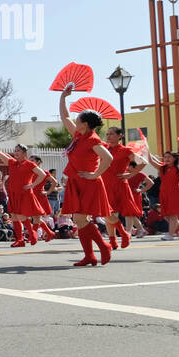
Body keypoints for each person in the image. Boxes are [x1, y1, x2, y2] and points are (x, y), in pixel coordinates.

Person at [57, 86, 114, 266]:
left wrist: (95, 174)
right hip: (76, 181)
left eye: (79, 118)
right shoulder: (78, 135)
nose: (76, 119)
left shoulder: (92, 139)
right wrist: (62, 97)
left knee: (80, 219)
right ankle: (90, 255)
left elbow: (108, 158)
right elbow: (65, 117)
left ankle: (103, 246)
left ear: (86, 124)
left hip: (88, 182)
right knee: (80, 220)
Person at [152, 151, 179, 239]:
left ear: (174, 158)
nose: (167, 159)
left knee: (173, 214)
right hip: (164, 194)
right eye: (165, 157)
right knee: (166, 215)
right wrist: (146, 151)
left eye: (169, 157)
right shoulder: (163, 168)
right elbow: (152, 161)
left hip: (175, 193)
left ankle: (170, 234)